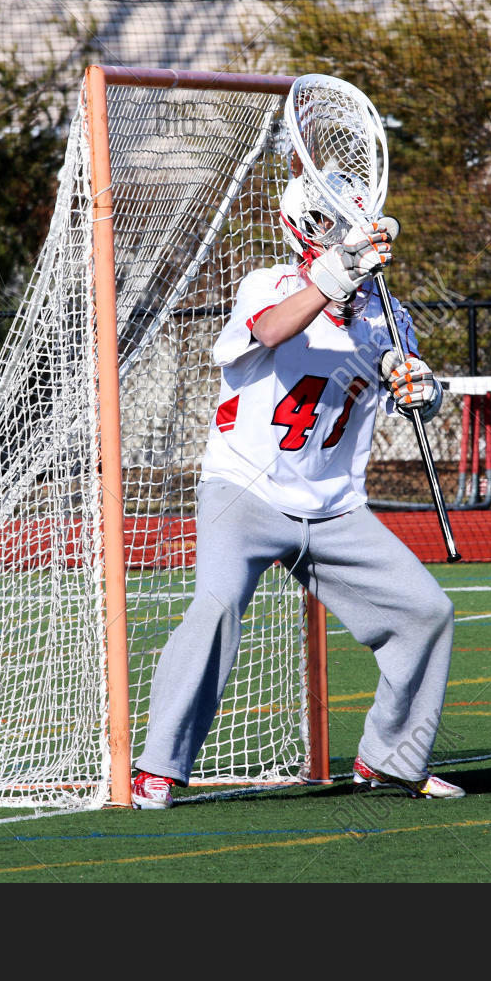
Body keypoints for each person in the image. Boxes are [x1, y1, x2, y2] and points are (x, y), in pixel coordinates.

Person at [130, 170, 463, 809]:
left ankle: (389, 759)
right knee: (217, 607)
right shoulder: (268, 285)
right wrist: (334, 279)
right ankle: (160, 766)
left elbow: (400, 380)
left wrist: (421, 388)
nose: (353, 232)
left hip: (334, 506)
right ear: (311, 229)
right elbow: (276, 329)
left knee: (426, 612)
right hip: (244, 492)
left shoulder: (387, 315)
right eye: (338, 223)